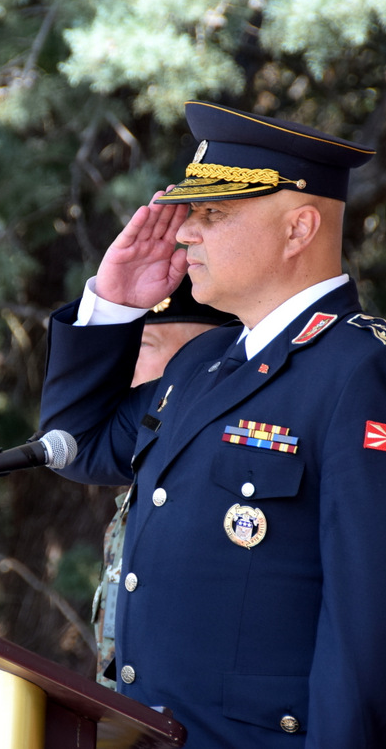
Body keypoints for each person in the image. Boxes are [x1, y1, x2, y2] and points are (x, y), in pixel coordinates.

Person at [40, 100, 386, 747]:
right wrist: (115, 304)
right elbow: (77, 445)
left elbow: (374, 632)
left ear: (298, 230)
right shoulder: (203, 361)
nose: (186, 233)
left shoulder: (371, 373)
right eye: (191, 214)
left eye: (213, 214)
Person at [92, 278, 233, 689]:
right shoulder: (146, 478)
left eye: (143, 347)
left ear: (204, 356)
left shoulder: (212, 484)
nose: (127, 368)